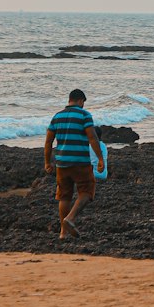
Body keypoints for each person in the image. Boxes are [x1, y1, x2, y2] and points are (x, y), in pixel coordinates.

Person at [44, 89, 105, 240]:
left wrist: (47, 162)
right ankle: (70, 218)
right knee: (87, 191)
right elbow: (92, 138)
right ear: (80, 101)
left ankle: (63, 233)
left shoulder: (57, 116)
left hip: (62, 163)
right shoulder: (84, 115)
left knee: (64, 197)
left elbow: (48, 142)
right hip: (80, 162)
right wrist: (100, 159)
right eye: (83, 103)